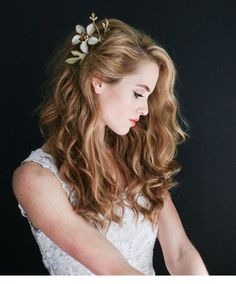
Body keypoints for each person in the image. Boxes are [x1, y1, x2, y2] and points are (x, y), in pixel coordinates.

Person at [12, 12, 209, 275]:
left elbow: (180, 251)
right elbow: (114, 270)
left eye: (149, 98)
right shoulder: (35, 178)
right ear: (99, 80)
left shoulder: (137, 159)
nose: (145, 110)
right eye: (139, 93)